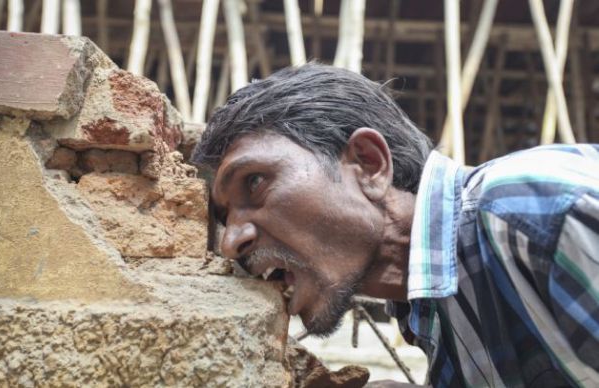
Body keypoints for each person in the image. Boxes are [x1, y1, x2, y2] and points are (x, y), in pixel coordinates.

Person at [190, 63, 599, 387]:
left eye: (255, 182)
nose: (230, 242)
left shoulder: (536, 214)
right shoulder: (430, 312)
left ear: (369, 164)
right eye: (225, 218)